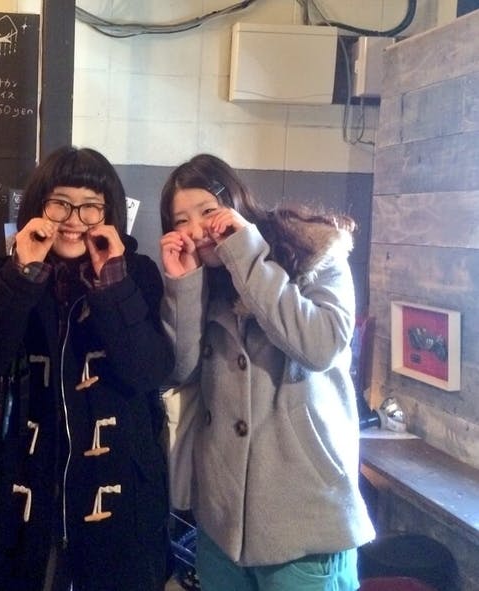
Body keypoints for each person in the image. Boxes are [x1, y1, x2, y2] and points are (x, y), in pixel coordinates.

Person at [0, 146, 173, 591]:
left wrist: (111, 280)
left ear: (109, 214)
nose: (74, 219)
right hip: (30, 477)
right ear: (39, 207)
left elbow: (148, 371)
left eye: (91, 206)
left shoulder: (137, 273)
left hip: (119, 483)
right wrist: (23, 272)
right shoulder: (10, 271)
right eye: (60, 203)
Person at [158, 154, 375, 591]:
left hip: (305, 523)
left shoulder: (315, 252)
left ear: (236, 203)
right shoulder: (207, 283)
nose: (196, 229)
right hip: (221, 527)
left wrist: (247, 255)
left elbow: (320, 346)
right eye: (181, 221)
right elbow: (180, 370)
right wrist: (183, 286)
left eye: (207, 211)